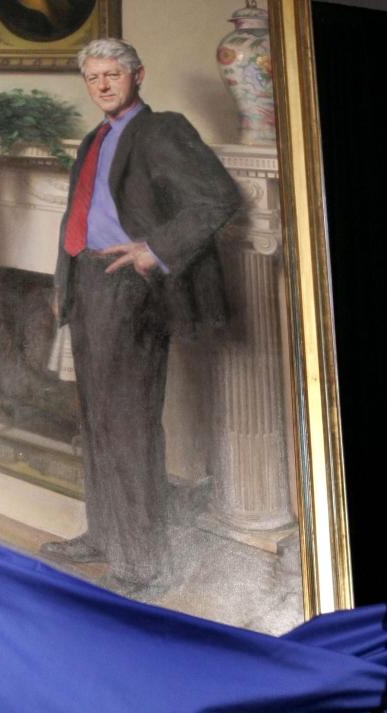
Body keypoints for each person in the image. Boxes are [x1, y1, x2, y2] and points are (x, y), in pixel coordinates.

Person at [40, 39, 242, 593]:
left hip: (134, 285)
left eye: (113, 75)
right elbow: (76, 214)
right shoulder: (93, 138)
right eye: (94, 77)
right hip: (88, 283)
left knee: (128, 424)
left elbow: (219, 199)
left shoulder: (163, 129)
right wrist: (65, 283)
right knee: (97, 420)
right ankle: (105, 537)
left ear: (138, 76)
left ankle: (144, 562)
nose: (103, 85)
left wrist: (153, 250)